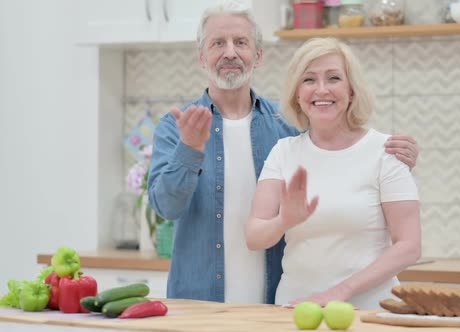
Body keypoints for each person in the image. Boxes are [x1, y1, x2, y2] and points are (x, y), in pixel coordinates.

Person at [148, 3, 420, 305]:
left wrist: (393, 155)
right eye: (217, 43)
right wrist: (190, 149)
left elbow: (337, 151)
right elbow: (166, 208)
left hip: (276, 300)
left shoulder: (287, 125)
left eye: (241, 42)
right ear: (201, 57)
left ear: (258, 55)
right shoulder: (177, 127)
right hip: (198, 299)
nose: (230, 53)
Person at [245, 37, 421, 310]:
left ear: (352, 90)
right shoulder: (283, 152)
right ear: (297, 95)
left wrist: (340, 292)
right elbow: (255, 237)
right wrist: (284, 220)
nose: (321, 89)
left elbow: (409, 245)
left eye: (334, 78)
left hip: (369, 312)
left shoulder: (386, 152)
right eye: (309, 80)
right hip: (294, 311)